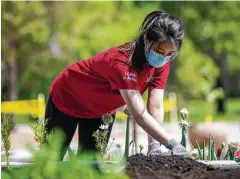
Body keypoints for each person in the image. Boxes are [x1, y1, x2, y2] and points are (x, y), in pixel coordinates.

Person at [45, 10, 187, 160]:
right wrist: (172, 144)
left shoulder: (162, 63)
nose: (163, 57)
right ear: (146, 39)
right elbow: (139, 114)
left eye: (169, 53)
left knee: (91, 165)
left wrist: (154, 146)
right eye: (159, 50)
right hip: (68, 98)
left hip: (101, 111)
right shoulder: (122, 63)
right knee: (51, 160)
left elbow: (156, 106)